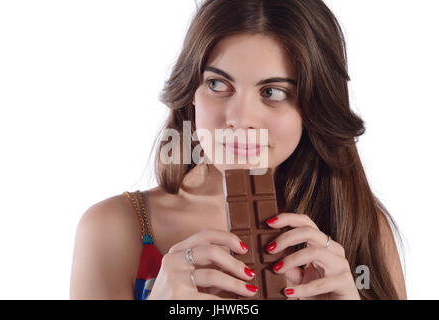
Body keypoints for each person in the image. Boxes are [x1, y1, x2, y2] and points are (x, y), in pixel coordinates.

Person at [69, 0, 407, 300]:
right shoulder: (114, 229)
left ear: (314, 109)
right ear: (191, 92)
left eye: (273, 92)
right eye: (218, 84)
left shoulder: (361, 227)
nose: (240, 119)